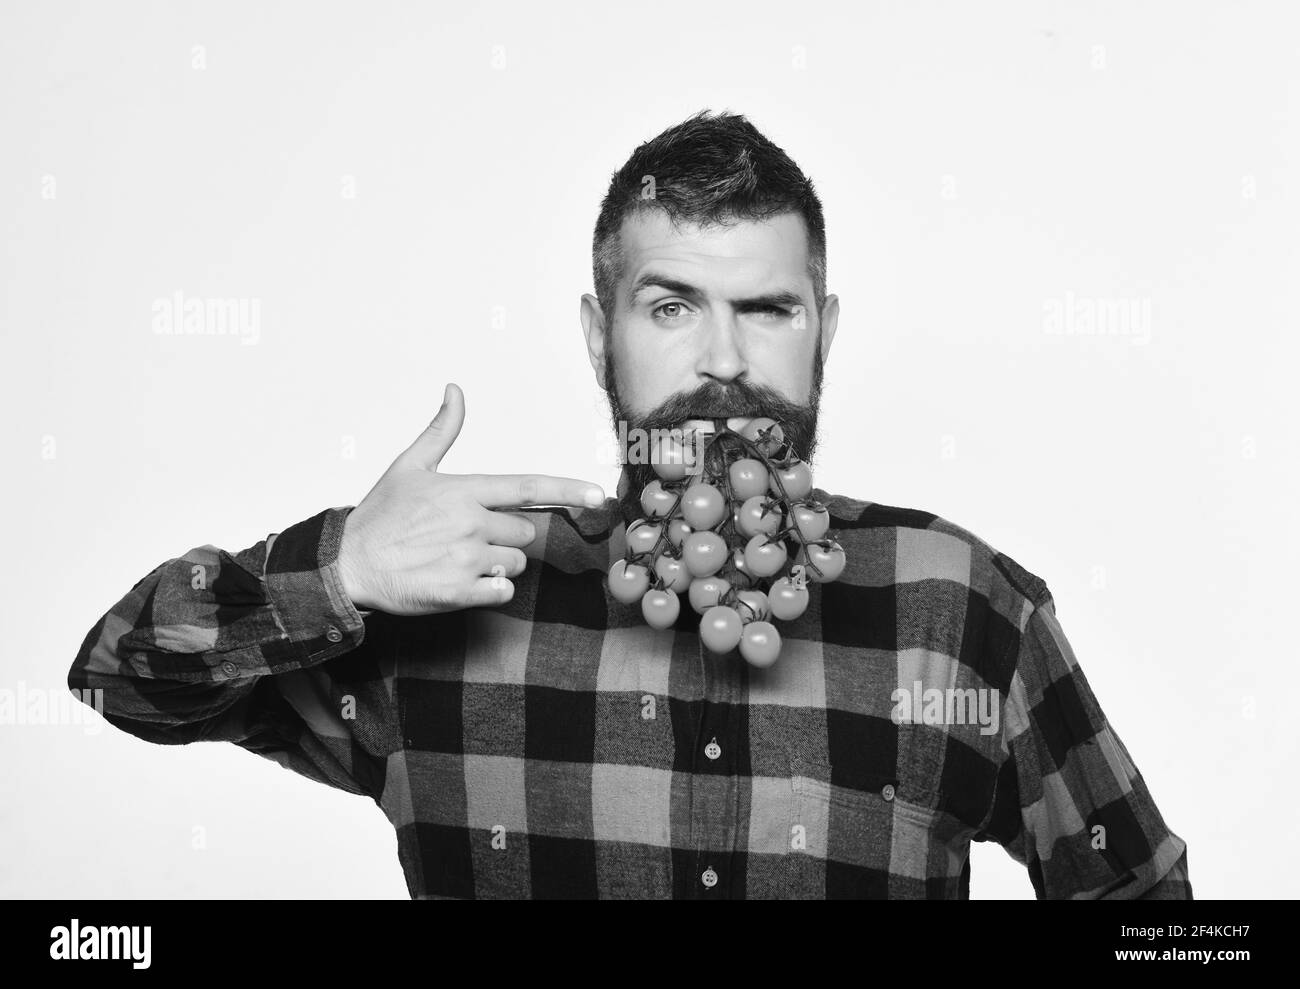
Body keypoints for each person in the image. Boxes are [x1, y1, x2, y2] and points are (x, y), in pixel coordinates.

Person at [68, 110, 1191, 900]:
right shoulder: (449, 594)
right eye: (669, 307)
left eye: (765, 308)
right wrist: (341, 574)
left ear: (825, 331)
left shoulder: (956, 606)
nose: (721, 357)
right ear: (598, 333)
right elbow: (123, 675)